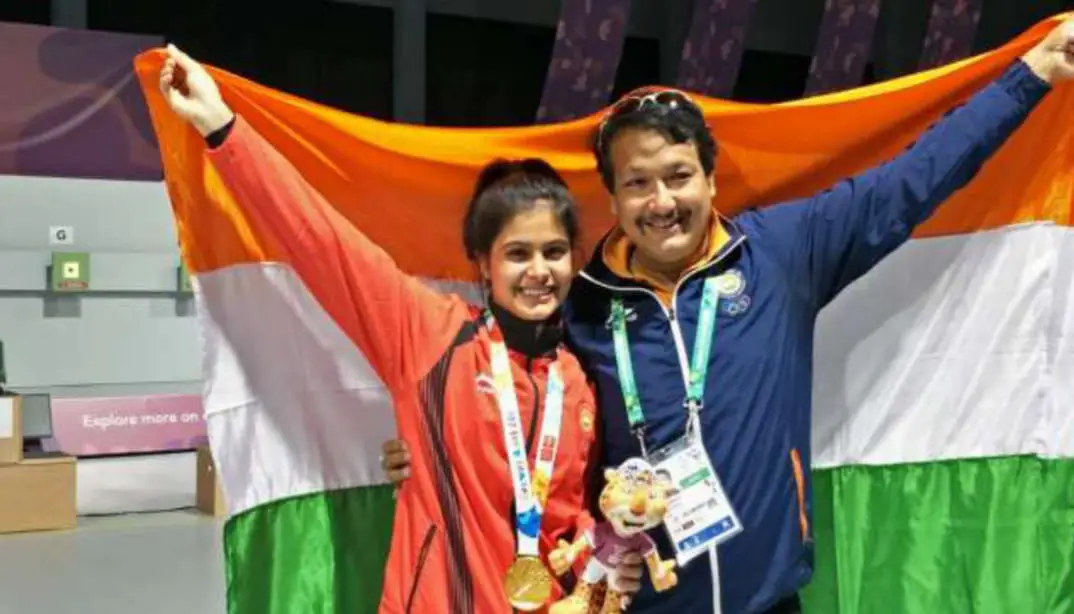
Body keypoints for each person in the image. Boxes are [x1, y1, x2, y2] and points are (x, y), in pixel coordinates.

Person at [381, 19, 1074, 614]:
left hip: (768, 601)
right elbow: (517, 398)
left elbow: (917, 177)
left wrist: (1036, 71)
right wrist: (431, 437)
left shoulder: (781, 253)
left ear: (711, 178)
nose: (662, 202)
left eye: (679, 176)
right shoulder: (582, 301)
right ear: (615, 197)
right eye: (638, 183)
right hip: (639, 602)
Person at [157, 45, 643, 613]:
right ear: (482, 263)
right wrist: (223, 129)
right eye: (518, 253)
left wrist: (600, 565)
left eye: (554, 252)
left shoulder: (576, 381)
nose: (539, 271)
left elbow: (565, 516)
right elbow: (318, 242)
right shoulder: (428, 333)